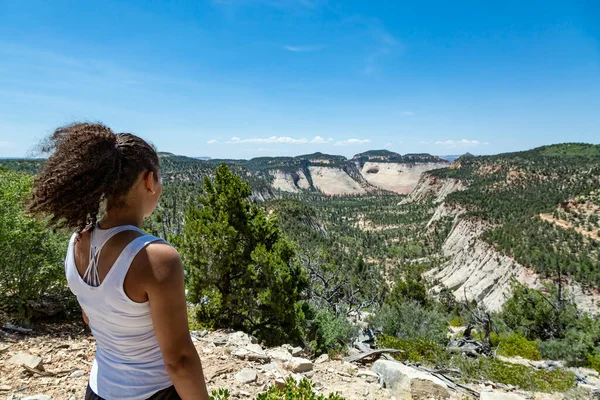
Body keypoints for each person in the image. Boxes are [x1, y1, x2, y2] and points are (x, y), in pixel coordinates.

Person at [27, 123, 209, 400]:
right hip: (153, 393)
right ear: (149, 181)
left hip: (99, 390)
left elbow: (91, 316)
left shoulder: (77, 242)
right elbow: (179, 360)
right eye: (159, 179)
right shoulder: (156, 258)